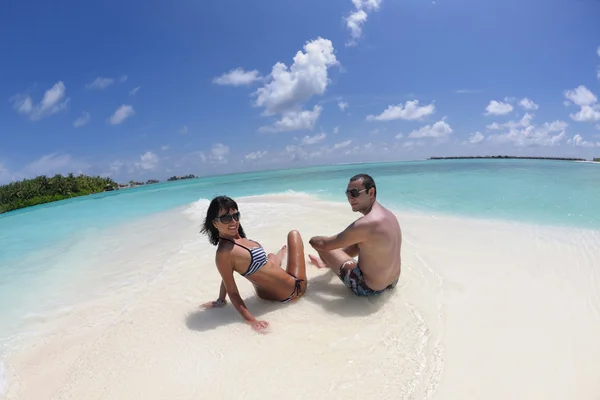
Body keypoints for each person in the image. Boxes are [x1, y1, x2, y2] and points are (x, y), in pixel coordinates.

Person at [200, 195, 308, 333]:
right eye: (226, 218)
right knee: (294, 234)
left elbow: (226, 275)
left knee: (270, 258)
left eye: (236, 216)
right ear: (215, 223)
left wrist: (221, 300)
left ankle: (281, 254)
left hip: (265, 294)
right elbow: (233, 291)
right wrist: (251, 320)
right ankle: (322, 257)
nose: (233, 221)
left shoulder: (237, 239)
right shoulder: (224, 253)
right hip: (294, 290)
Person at [308, 173, 402, 297]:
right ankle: (327, 263)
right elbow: (359, 245)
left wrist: (313, 240)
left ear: (371, 192)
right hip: (392, 283)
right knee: (360, 242)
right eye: (347, 193)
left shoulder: (365, 224)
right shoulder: (389, 215)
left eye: (354, 193)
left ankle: (325, 263)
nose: (350, 198)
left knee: (321, 244)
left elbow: (323, 245)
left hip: (369, 289)